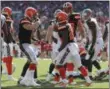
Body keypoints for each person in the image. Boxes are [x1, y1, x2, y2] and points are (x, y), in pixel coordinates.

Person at [54, 11, 92, 87]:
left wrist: (59, 50)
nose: (56, 18)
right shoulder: (67, 24)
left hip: (68, 47)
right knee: (79, 66)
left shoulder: (62, 26)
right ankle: (88, 81)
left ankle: (64, 82)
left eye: (58, 17)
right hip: (73, 46)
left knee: (58, 64)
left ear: (60, 18)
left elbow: (65, 41)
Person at [63, 2, 86, 84]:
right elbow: (81, 27)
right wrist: (83, 37)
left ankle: (67, 79)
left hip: (67, 40)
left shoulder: (69, 16)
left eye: (67, 9)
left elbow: (81, 27)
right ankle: (63, 78)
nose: (66, 10)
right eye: (66, 9)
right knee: (69, 60)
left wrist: (83, 37)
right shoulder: (66, 16)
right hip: (70, 40)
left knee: (68, 60)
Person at [18, 7, 41, 86]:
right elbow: (31, 27)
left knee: (32, 61)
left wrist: (35, 40)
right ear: (30, 14)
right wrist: (38, 22)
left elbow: (30, 35)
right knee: (34, 61)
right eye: (34, 14)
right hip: (24, 44)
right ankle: (28, 80)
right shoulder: (24, 20)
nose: (36, 16)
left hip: (27, 44)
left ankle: (25, 80)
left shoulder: (29, 21)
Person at [82, 8, 104, 79]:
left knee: (88, 59)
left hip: (96, 41)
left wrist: (91, 46)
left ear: (89, 15)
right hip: (96, 41)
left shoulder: (91, 22)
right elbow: (89, 35)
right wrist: (87, 43)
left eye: (86, 15)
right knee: (92, 59)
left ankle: (90, 76)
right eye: (84, 15)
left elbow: (94, 35)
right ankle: (101, 72)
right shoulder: (88, 21)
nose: (84, 16)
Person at [2, 7, 16, 80]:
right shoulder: (7, 19)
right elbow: (8, 32)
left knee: (5, 58)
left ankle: (5, 69)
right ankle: (9, 76)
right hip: (6, 40)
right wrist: (13, 41)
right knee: (9, 59)